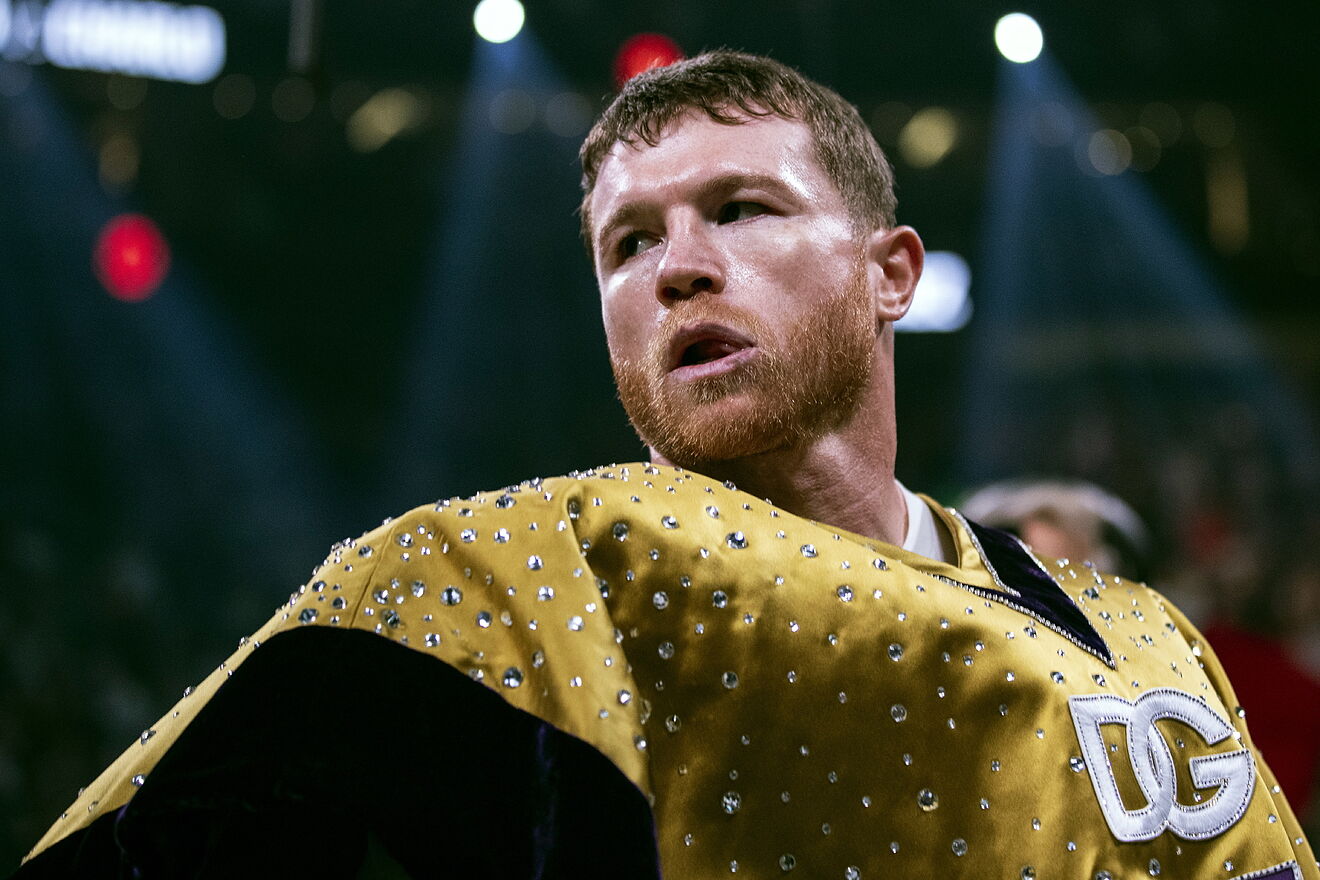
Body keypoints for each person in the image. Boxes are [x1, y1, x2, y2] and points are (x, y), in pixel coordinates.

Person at [15, 51, 1316, 879]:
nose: (678, 265)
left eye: (742, 209)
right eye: (628, 243)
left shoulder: (1144, 639)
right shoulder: (482, 585)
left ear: (892, 274)